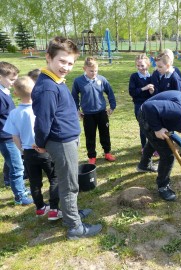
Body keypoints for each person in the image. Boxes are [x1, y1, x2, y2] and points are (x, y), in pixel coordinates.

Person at [32, 36, 102, 240]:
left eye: (70, 63)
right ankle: (75, 227)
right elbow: (43, 121)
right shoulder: (47, 87)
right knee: (69, 183)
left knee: (69, 180)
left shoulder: (56, 80)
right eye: (62, 61)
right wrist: (42, 143)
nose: (66, 67)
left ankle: (71, 215)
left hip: (67, 139)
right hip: (61, 142)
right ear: (48, 57)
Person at [3, 76, 61, 219]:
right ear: (35, 90)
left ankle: (40, 207)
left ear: (15, 94)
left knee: (35, 182)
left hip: (28, 153)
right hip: (45, 151)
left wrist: (22, 150)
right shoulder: (40, 110)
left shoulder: (14, 113)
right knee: (54, 178)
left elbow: (14, 136)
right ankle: (54, 209)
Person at [72, 57, 117, 165]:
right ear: (84, 69)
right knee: (90, 135)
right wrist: (77, 110)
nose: (94, 73)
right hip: (88, 114)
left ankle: (107, 152)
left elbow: (110, 92)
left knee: (105, 133)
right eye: (91, 71)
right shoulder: (78, 81)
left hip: (102, 112)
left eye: (96, 71)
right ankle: (91, 156)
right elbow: (74, 97)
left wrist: (112, 106)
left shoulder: (101, 79)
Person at [0, 62, 32, 205]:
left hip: (10, 135)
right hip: (6, 137)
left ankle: (15, 185)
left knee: (14, 162)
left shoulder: (5, 91)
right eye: (11, 80)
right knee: (17, 167)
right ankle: (20, 196)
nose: (14, 83)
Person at [152, 53, 181, 153]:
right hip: (164, 109)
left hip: (171, 109)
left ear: (167, 65)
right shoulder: (164, 76)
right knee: (165, 130)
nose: (158, 69)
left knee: (168, 131)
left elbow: (180, 96)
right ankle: (165, 149)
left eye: (160, 66)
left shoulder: (175, 78)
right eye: (157, 66)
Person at [129, 54, 156, 152]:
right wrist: (144, 88)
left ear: (148, 65)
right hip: (139, 105)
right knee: (143, 126)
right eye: (138, 66)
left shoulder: (152, 76)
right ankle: (144, 147)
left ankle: (153, 146)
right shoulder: (134, 76)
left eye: (142, 65)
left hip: (150, 105)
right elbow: (132, 92)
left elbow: (155, 94)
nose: (140, 68)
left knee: (152, 126)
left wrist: (152, 91)